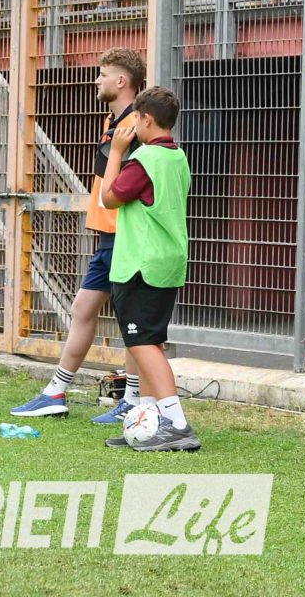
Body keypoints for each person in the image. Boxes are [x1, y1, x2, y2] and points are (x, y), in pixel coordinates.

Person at [10, 50, 145, 423]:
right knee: (82, 309)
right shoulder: (112, 120)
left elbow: (128, 185)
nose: (96, 80)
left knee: (132, 321)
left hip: (125, 237)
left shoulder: (135, 124)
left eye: (103, 74)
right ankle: (55, 392)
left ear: (121, 81)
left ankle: (133, 400)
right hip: (107, 236)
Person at [100, 86, 198, 452]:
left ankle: (176, 424)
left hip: (141, 265)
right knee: (149, 341)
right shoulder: (178, 157)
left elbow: (108, 198)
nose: (131, 125)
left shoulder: (144, 159)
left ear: (147, 119)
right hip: (166, 263)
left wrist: (116, 152)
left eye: (135, 119)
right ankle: (148, 421)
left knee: (142, 343)